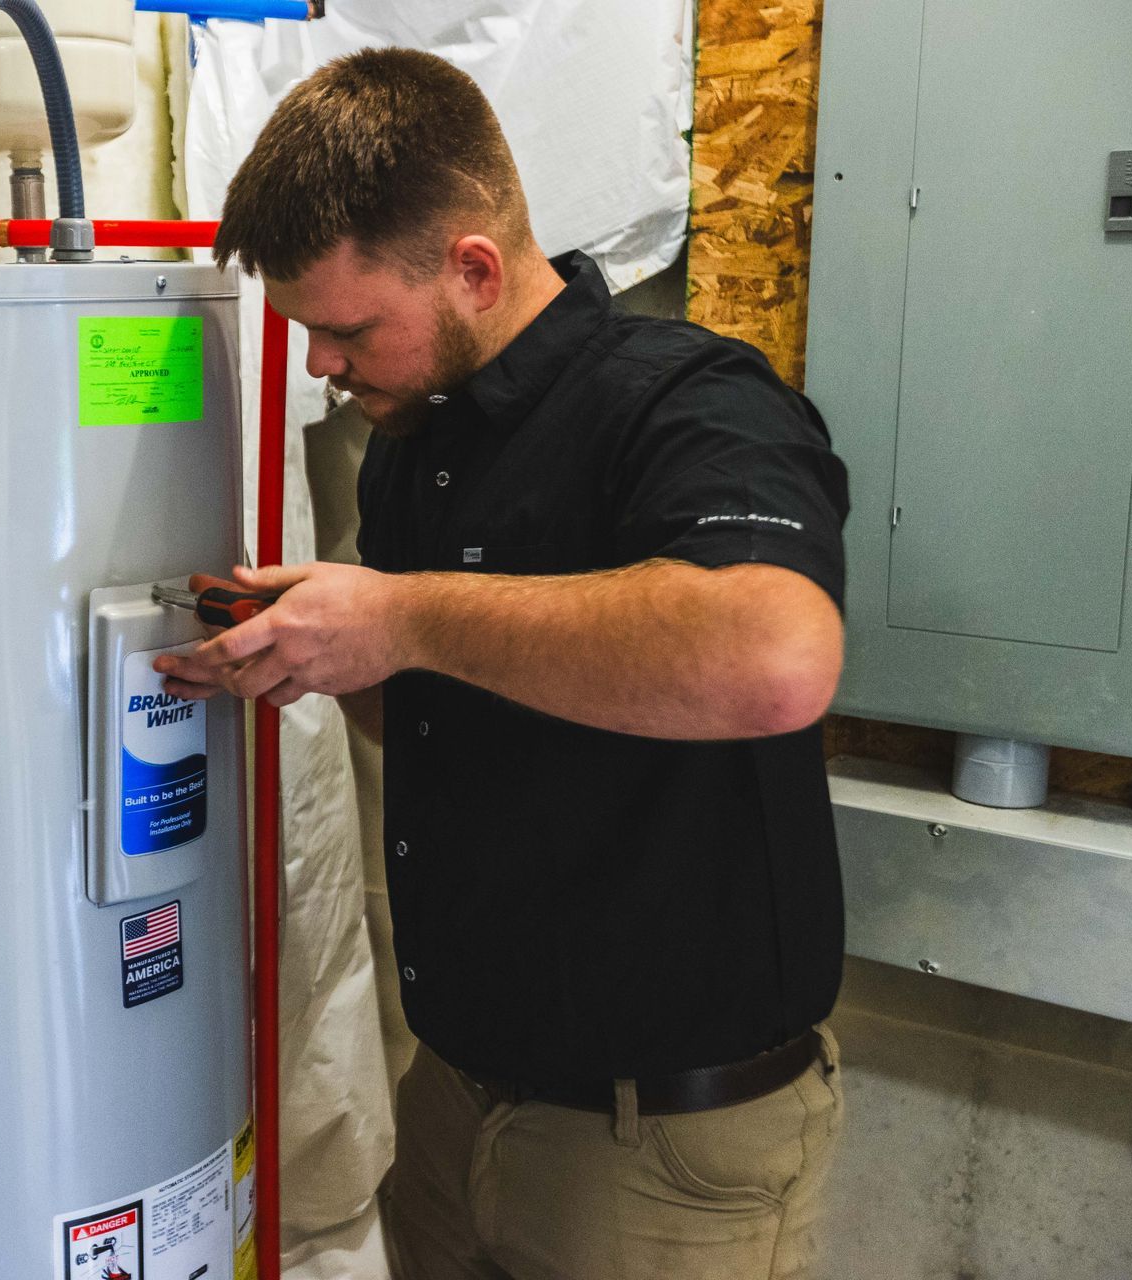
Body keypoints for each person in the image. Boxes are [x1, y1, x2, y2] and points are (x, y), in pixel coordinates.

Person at [156, 48, 851, 1280]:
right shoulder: (414, 439)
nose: (321, 365)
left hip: (655, 1149)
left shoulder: (687, 401)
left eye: (345, 328)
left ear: (473, 266)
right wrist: (318, 650)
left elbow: (776, 655)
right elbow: (431, 718)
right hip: (456, 1102)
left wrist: (407, 617)